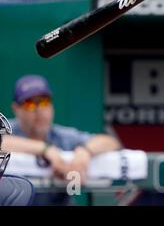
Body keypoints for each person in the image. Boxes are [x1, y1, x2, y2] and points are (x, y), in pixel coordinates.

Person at [1, 74, 121, 205]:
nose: (39, 110)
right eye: (30, 104)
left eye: (44, 102)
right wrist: (46, 150)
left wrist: (84, 152)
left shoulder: (63, 137)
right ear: (16, 109)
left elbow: (110, 142)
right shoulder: (8, 129)